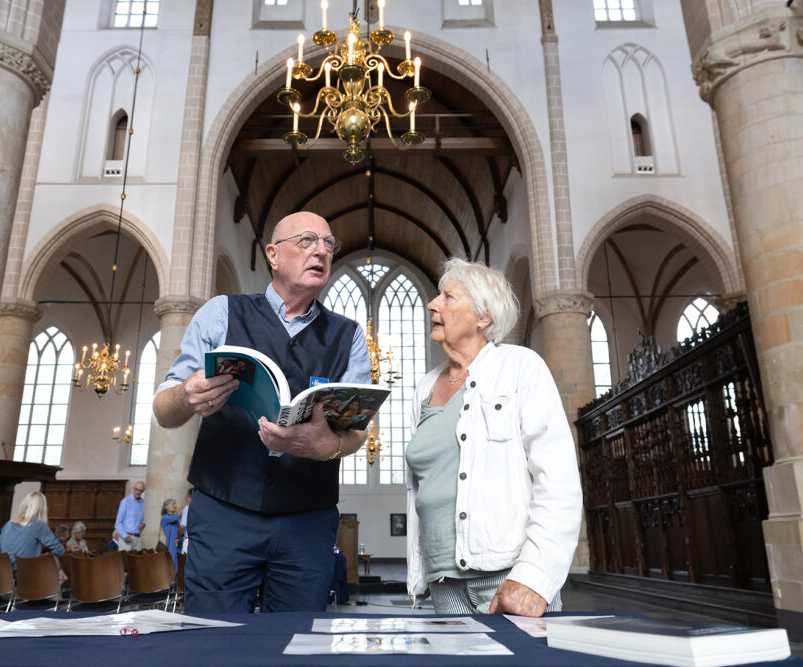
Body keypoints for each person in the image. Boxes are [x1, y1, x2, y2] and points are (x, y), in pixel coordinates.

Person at [152, 211, 371, 613]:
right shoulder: (221, 313)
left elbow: (356, 433)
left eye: (328, 243)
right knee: (212, 641)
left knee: (295, 646)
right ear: (273, 254)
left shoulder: (349, 335)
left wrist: (326, 445)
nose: (321, 251)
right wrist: (188, 393)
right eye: (307, 241)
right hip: (224, 513)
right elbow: (164, 410)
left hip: (307, 521)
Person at [405, 259, 582, 617]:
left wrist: (535, 576)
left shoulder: (521, 367)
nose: (433, 304)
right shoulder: (424, 387)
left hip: (508, 578)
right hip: (444, 582)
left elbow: (558, 481)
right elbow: (417, 488)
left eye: (448, 297)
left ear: (483, 317)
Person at [0, 491, 66, 568]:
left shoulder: (8, 524)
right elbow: (60, 551)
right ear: (43, 509)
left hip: (5, 574)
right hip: (26, 574)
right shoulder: (38, 525)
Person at [115, 481, 146, 552]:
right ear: (133, 488)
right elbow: (118, 523)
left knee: (138, 562)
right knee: (125, 562)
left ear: (143, 491)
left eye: (140, 490)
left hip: (138, 538)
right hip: (126, 538)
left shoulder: (143, 502)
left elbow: (142, 519)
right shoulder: (125, 501)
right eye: (136, 489)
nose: (138, 492)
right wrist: (124, 536)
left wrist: (143, 524)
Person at [160, 498, 180, 573]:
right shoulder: (165, 517)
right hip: (171, 544)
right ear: (166, 507)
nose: (175, 506)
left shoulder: (175, 518)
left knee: (179, 562)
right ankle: (171, 582)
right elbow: (176, 517)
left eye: (175, 504)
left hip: (178, 543)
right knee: (172, 563)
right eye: (173, 504)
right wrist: (185, 507)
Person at [178, 488, 194, 554]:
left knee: (184, 562)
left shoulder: (187, 508)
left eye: (186, 496)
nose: (185, 498)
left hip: (188, 540)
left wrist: (177, 537)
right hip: (198, 542)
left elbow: (182, 526)